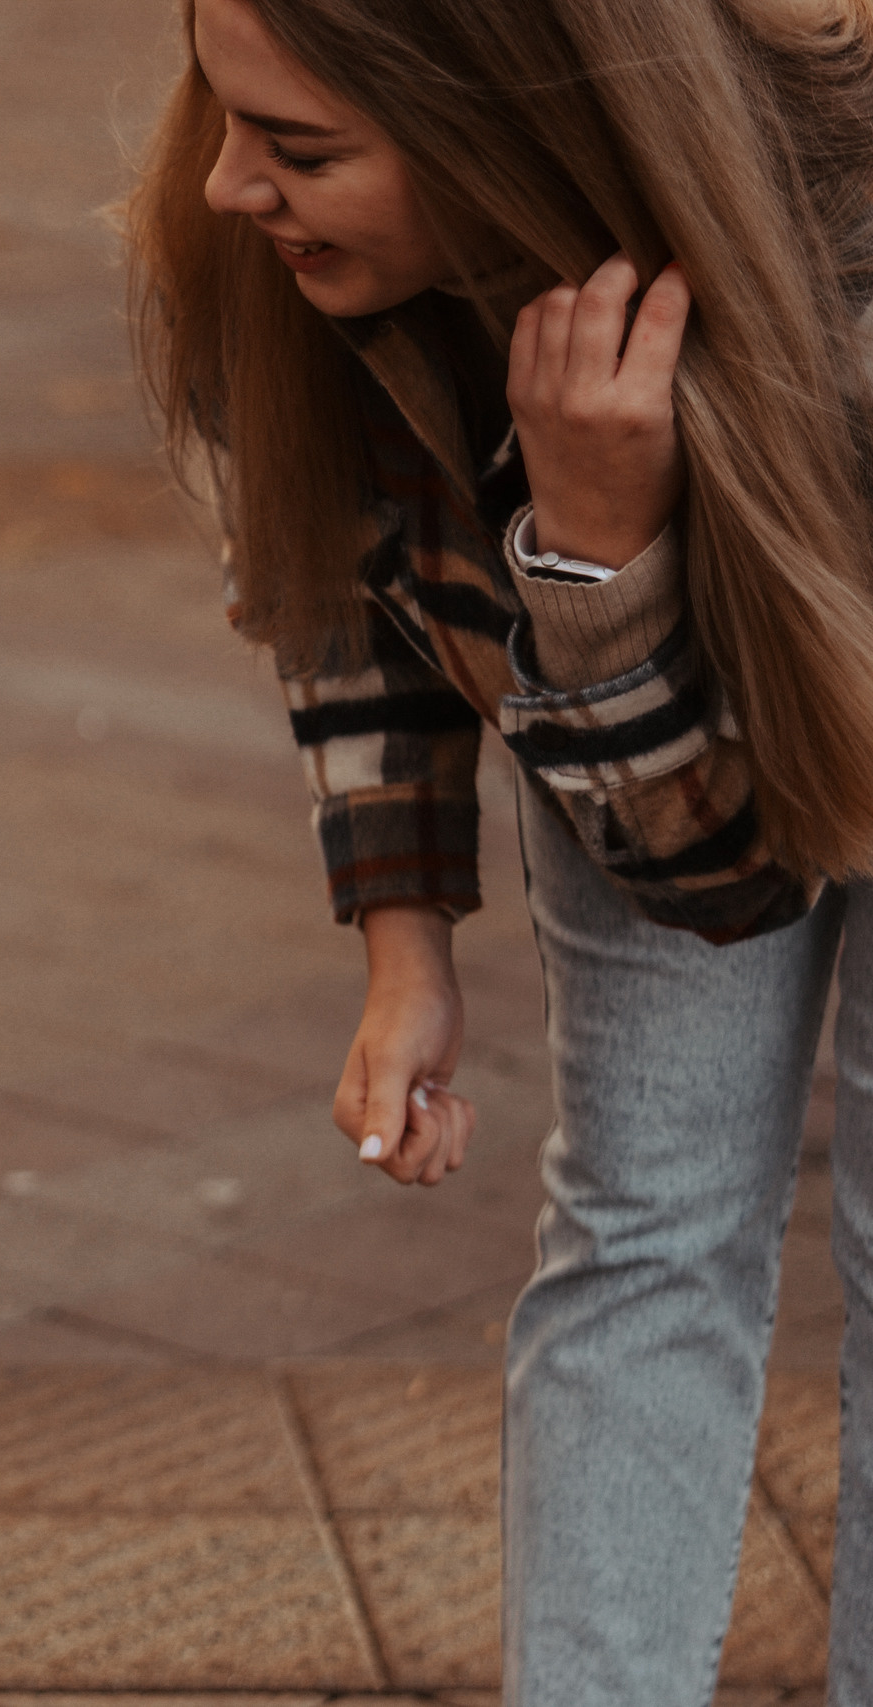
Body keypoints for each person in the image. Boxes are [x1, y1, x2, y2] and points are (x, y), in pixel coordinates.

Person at [126, 0, 873, 1699]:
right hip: (617, 718)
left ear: (498, 136)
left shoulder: (842, 282)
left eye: (303, 149)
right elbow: (341, 577)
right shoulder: (259, 243)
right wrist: (406, 944)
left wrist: (603, 536)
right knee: (644, 1226)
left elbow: (752, 870)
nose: (236, 182)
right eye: (221, 110)